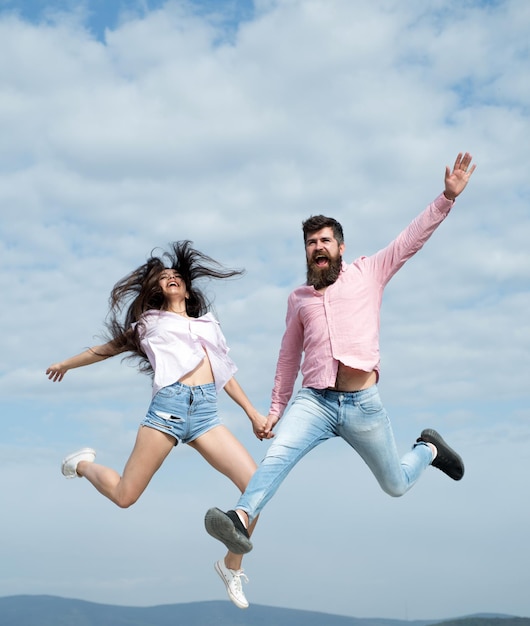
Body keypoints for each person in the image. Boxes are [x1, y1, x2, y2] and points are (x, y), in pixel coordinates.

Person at [204, 152, 476, 555]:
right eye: (311, 243)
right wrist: (277, 409)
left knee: (395, 485)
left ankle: (429, 449)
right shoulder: (298, 300)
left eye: (325, 241)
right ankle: (240, 519)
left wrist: (446, 198)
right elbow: (287, 357)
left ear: (340, 247)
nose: (318, 247)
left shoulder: (370, 272)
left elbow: (411, 239)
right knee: (277, 457)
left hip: (363, 404)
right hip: (314, 401)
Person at [46, 241, 269, 609]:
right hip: (166, 412)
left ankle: (231, 565)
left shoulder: (208, 325)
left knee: (258, 485)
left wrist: (253, 414)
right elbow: (106, 348)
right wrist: (66, 364)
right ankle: (82, 464)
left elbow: (225, 375)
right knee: (124, 497)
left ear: (186, 286)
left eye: (175, 276)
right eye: (163, 278)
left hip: (205, 416)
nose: (170, 279)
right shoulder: (148, 323)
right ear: (156, 291)